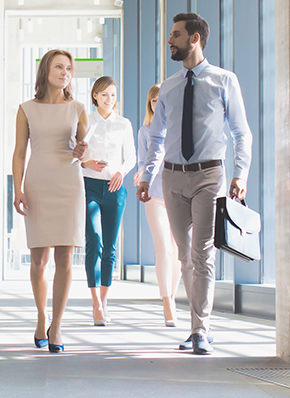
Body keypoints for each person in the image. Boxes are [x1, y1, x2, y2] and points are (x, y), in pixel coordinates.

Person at [136, 13, 252, 355]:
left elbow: (241, 133)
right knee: (184, 256)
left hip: (209, 176)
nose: (170, 41)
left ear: (194, 39)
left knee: (203, 253)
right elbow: (156, 137)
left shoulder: (224, 80)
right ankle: (197, 325)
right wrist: (146, 176)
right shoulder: (169, 86)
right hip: (171, 178)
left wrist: (240, 174)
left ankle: (200, 329)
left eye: (176, 35)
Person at [13, 49, 89, 353]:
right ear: (46, 70)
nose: (65, 72)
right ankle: (41, 315)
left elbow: (86, 151)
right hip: (38, 183)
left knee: (65, 260)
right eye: (59, 67)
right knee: (38, 260)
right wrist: (17, 189)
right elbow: (19, 152)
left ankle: (56, 324)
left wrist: (84, 152)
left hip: (69, 183)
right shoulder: (26, 109)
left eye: (69, 68)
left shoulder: (78, 108)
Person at [80, 76, 135, 326]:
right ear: (95, 96)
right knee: (94, 240)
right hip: (88, 185)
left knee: (111, 247)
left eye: (113, 95)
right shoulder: (84, 120)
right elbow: (74, 152)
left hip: (114, 187)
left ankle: (104, 301)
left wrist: (120, 172)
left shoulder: (123, 124)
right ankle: (95, 304)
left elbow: (131, 157)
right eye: (104, 95)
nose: (109, 99)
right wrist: (86, 162)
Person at [133, 83, 183, 327]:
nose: (157, 103)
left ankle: (171, 294)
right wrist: (142, 172)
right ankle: (167, 300)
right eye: (153, 100)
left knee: (178, 251)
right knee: (163, 247)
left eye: (160, 99)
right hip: (154, 195)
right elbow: (143, 161)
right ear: (150, 103)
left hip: (177, 194)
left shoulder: (178, 129)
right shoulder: (145, 132)